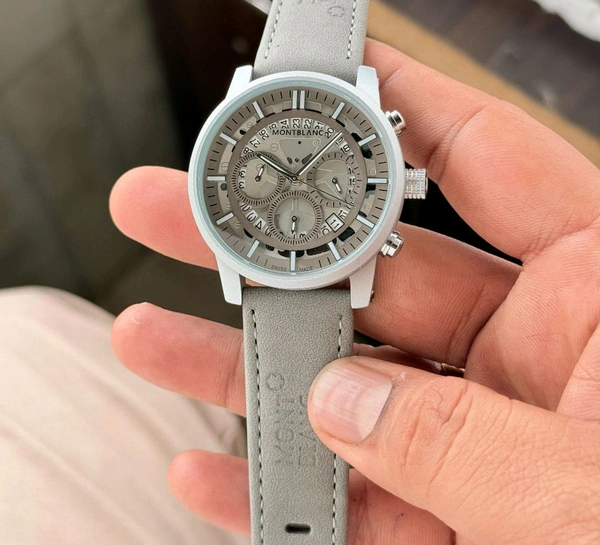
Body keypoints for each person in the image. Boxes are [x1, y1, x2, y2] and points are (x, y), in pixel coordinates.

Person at [1, 40, 599, 544]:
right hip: (283, 257)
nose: (290, 177)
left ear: (401, 183)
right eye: (275, 171)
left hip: (328, 259)